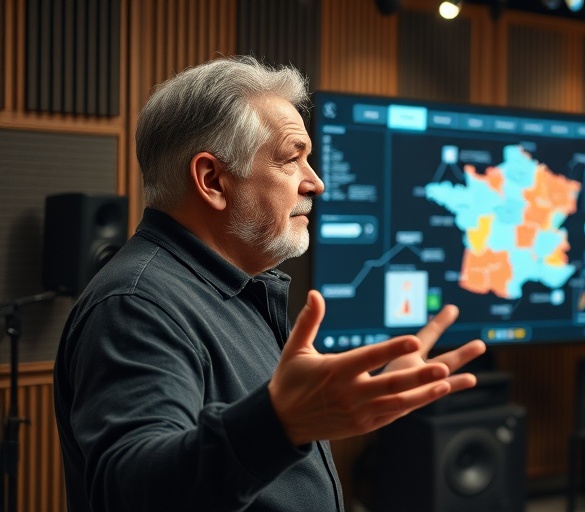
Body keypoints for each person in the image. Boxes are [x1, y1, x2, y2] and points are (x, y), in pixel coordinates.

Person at [53, 55, 487, 511]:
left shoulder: (228, 287)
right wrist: (281, 423)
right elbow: (131, 492)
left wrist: (355, 397)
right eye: (291, 160)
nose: (316, 183)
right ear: (212, 179)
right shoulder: (136, 305)